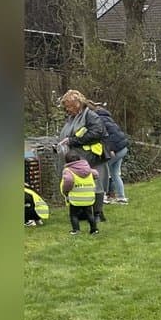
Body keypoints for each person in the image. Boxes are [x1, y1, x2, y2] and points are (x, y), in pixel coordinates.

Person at [56, 89, 109, 223]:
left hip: (92, 156)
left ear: (77, 104)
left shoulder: (90, 115)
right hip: (78, 157)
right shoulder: (72, 117)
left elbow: (97, 132)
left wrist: (72, 141)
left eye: (69, 106)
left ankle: (97, 213)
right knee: (79, 185)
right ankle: (83, 212)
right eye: (66, 106)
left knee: (95, 183)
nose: (67, 109)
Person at [95, 105, 130, 205]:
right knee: (114, 173)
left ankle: (103, 196)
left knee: (103, 170)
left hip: (116, 150)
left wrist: (110, 149)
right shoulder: (108, 119)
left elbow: (107, 136)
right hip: (123, 148)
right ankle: (121, 197)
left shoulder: (100, 120)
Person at [59, 149, 99, 235]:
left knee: (74, 215)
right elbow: (95, 174)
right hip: (89, 196)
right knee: (89, 214)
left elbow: (68, 181)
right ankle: (94, 230)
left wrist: (66, 192)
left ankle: (76, 230)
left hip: (75, 198)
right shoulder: (87, 168)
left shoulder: (68, 170)